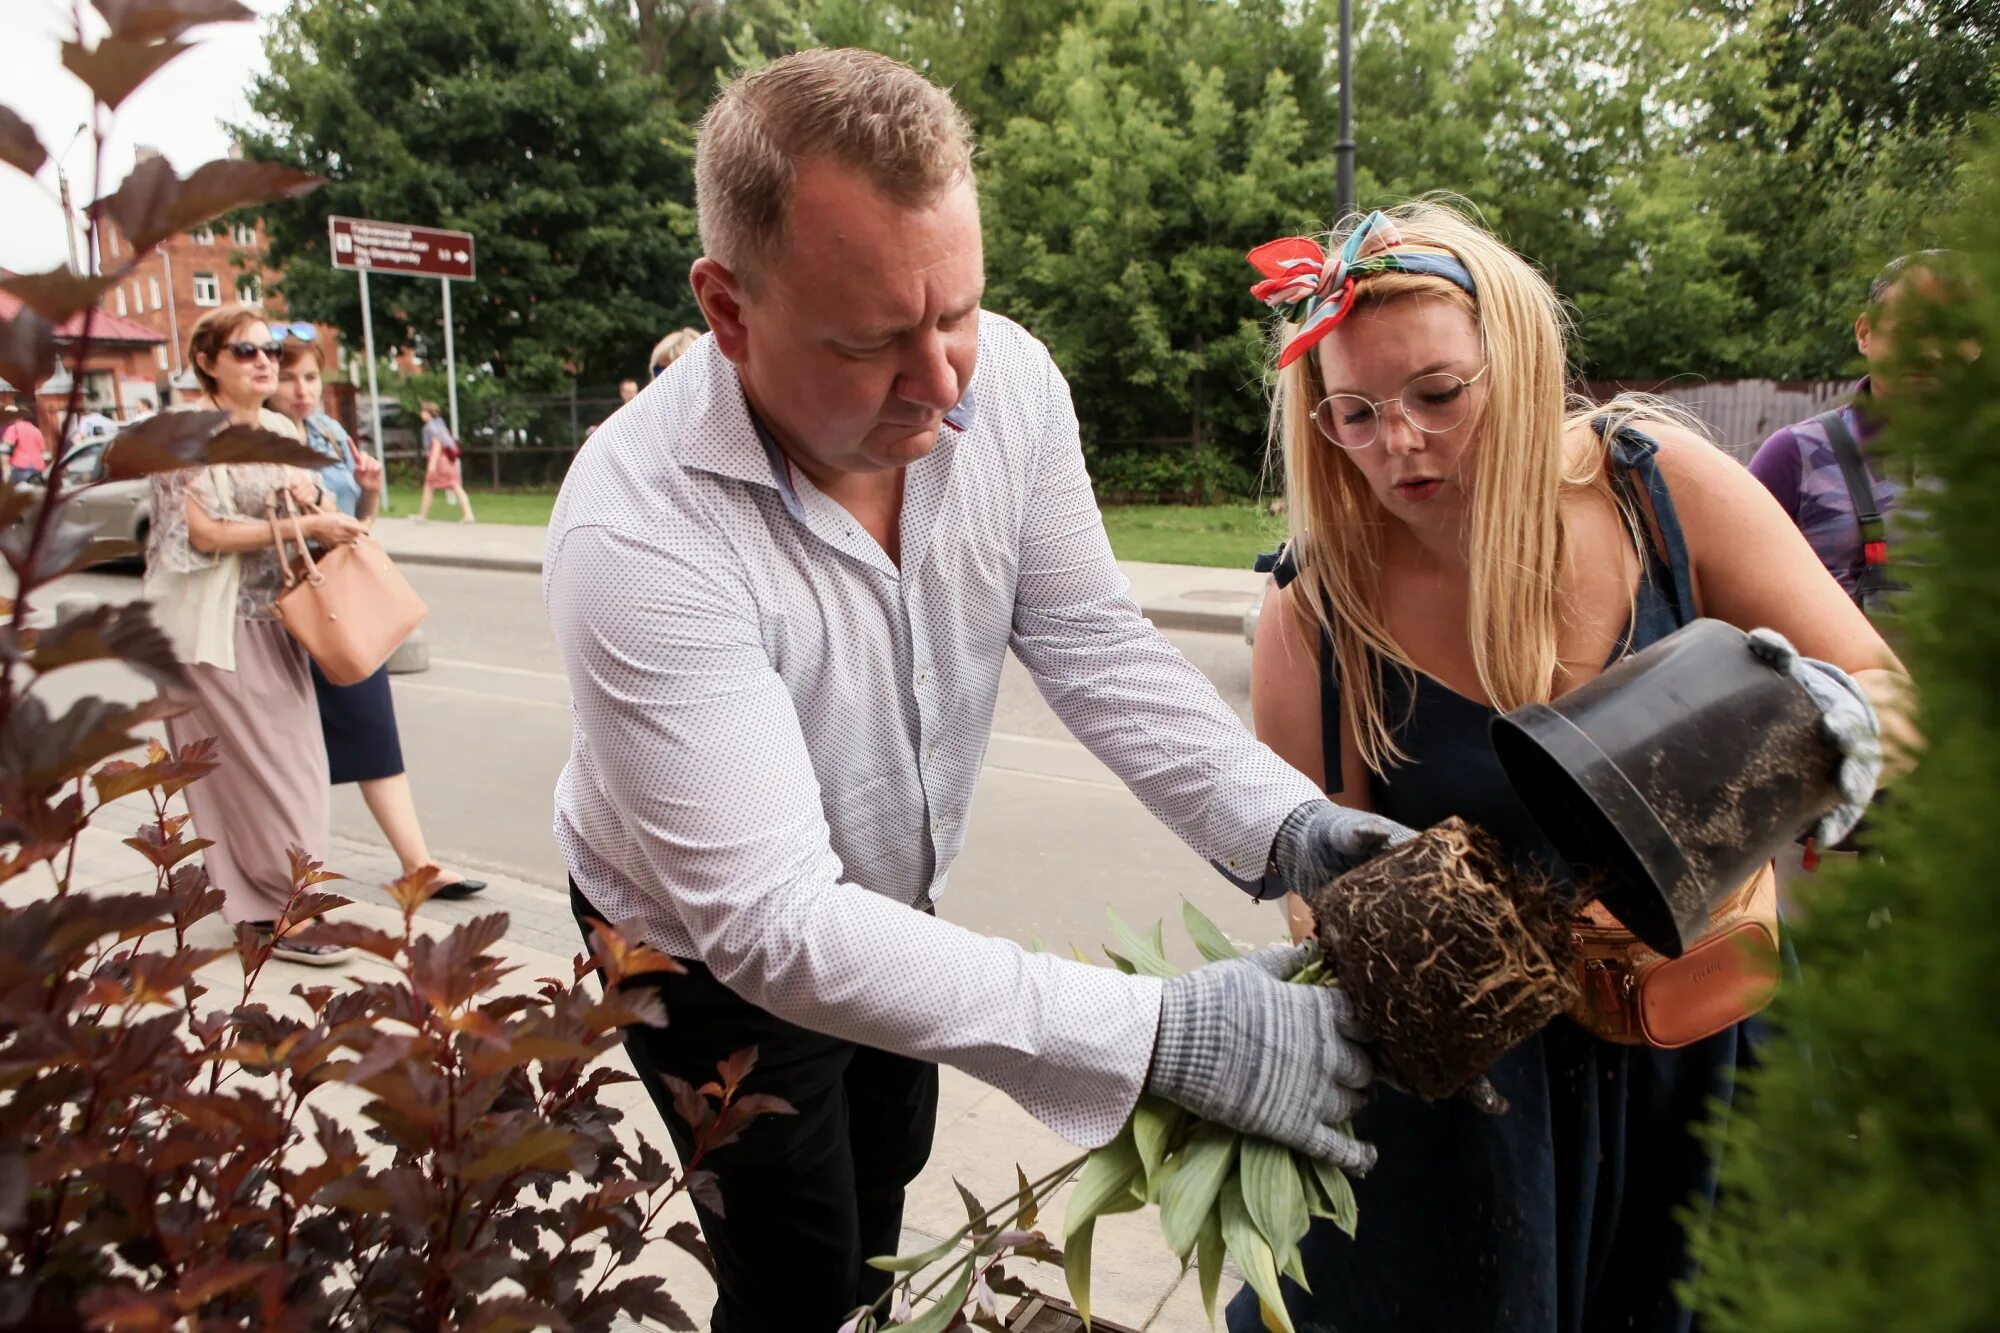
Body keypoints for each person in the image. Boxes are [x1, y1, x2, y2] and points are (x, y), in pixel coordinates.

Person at [547, 49, 1405, 1331]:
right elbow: (774, 921)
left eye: (955, 312)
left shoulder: (1006, 381)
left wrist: (1287, 827)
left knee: (883, 1191)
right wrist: (1159, 1035)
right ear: (726, 311)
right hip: (699, 950)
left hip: (894, 895)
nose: (945, 384)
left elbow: (1090, 641)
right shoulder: (637, 534)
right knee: (798, 1267)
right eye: (873, 341)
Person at [1239, 203, 1905, 1333]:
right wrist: (1374, 929)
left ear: (1519, 359)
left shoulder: (1658, 494)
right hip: (1472, 1134)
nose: (1396, 443)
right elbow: (1310, 891)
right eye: (1351, 413)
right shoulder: (1317, 608)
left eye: (1437, 396)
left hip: (1699, 1068)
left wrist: (1803, 729)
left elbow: (1886, 692)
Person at [144, 304, 370, 966]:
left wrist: (330, 512)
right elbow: (204, 534)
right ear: (208, 362)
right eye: (244, 351)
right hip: (208, 632)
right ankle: (276, 912)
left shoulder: (277, 428)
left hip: (276, 624)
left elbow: (318, 511)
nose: (264, 361)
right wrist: (306, 526)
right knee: (257, 776)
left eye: (268, 348)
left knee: (294, 767)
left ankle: (267, 904)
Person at [272, 334, 488, 902]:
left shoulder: (329, 434)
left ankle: (418, 864)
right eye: (290, 378)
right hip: (282, 606)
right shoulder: (261, 443)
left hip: (338, 603)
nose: (302, 390)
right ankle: (286, 877)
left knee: (372, 726)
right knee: (284, 751)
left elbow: (357, 526)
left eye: (311, 378)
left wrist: (366, 495)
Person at [1747, 250, 1959, 616]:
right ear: (1865, 333)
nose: (1932, 353)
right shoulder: (1794, 457)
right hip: (1824, 672)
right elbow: (1728, 596)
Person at [415, 401, 475, 522]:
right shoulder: (441, 426)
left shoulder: (430, 427)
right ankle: (468, 514)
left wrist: (431, 466)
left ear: (428, 413)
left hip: (438, 462)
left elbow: (436, 446)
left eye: (423, 411)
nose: (421, 413)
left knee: (429, 487)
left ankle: (422, 515)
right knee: (456, 486)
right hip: (448, 461)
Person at [3, 407, 47, 483]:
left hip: (21, 466)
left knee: (20, 492)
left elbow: (6, 449)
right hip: (38, 466)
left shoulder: (14, 428)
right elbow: (42, 449)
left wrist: (5, 467)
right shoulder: (36, 430)